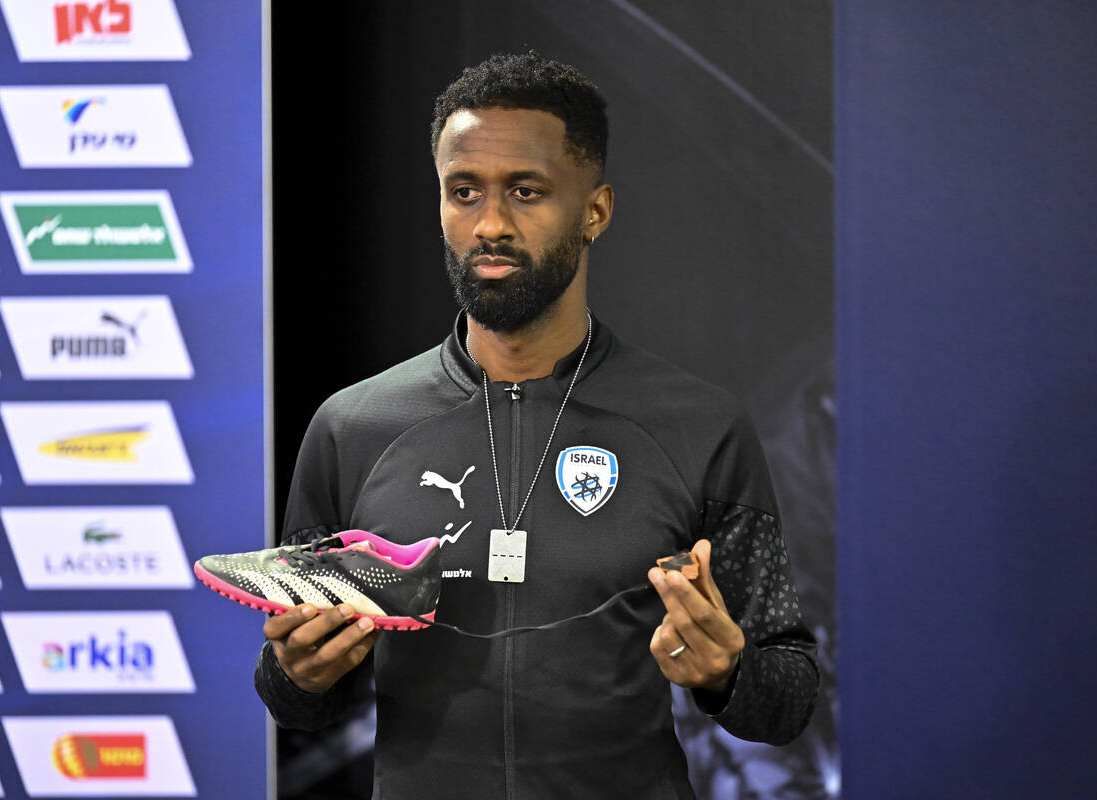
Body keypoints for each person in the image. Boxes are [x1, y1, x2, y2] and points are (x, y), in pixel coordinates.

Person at [255, 52, 818, 799]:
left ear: (595, 210)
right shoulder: (352, 427)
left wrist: (728, 674)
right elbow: (295, 696)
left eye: (526, 192)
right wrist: (297, 675)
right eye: (464, 192)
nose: (490, 224)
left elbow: (788, 692)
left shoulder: (698, 426)